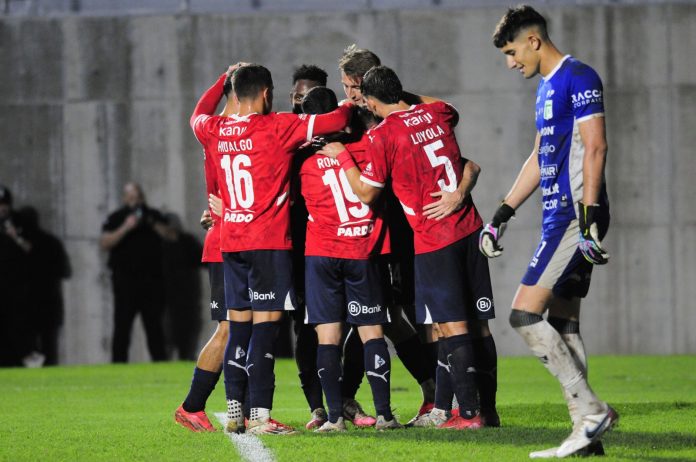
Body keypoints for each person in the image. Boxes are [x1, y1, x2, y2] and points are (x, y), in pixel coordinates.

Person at [318, 65, 498, 430]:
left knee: (449, 325)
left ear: (369, 100)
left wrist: (341, 156)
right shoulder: (437, 113)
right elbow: (466, 150)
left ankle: (468, 414)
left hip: (434, 236)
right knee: (478, 325)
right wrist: (461, 191)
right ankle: (484, 410)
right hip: (469, 229)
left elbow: (367, 193)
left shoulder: (383, 135)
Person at [480, 5, 617, 458]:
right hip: (560, 216)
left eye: (511, 51)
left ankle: (591, 412)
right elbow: (540, 157)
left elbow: (596, 145)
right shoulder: (544, 89)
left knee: (524, 315)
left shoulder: (579, 77)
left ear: (533, 41)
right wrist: (503, 212)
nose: (510, 61)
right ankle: (587, 436)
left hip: (574, 218)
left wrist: (591, 212)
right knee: (562, 321)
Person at [190, 63, 353, 435]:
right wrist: (350, 99)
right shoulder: (278, 126)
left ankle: (236, 411)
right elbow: (335, 119)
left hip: (231, 244)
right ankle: (260, 416)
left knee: (239, 327)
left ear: (234, 93)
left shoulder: (214, 130)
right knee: (265, 331)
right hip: (268, 244)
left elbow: (198, 114)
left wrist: (221, 80)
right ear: (266, 93)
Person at [337, 45, 439, 426]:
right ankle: (433, 390)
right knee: (378, 317)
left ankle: (441, 394)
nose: (347, 94)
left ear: (364, 83)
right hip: (369, 234)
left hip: (400, 230)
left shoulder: (397, 117)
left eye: (350, 86)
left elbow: (447, 114)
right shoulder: (348, 118)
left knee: (406, 315)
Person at [300, 86, 401, 432]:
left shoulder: (300, 159)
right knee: (372, 333)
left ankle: (333, 419)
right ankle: (385, 415)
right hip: (363, 252)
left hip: (322, 256)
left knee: (327, 337)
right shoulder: (368, 146)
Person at [100, 182, 173, 363]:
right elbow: (105, 242)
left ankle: (160, 364)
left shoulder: (153, 216)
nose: (134, 200)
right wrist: (126, 227)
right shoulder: (117, 217)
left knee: (154, 327)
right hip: (125, 282)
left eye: (137, 196)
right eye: (130, 196)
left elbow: (172, 235)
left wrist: (152, 223)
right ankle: (118, 366)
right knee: (122, 327)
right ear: (124, 198)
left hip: (152, 281)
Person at [18, 206, 72, 366]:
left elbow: (64, 271)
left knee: (30, 351)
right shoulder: (51, 243)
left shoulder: (25, 244)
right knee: (47, 351)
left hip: (33, 304)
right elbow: (65, 271)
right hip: (43, 304)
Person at [162, 212, 203, 361]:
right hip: (167, 301)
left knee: (188, 339)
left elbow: (203, 260)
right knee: (167, 339)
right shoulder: (161, 245)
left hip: (189, 300)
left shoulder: (187, 242)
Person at [0, 185, 32, 366]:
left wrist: (15, 236)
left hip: (16, 287)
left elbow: (31, 250)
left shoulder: (20, 223)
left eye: (5, 204)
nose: (2, 208)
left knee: (18, 329)